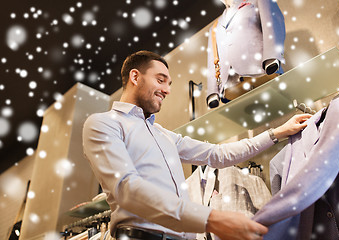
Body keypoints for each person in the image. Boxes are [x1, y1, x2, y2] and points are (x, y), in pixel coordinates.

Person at [82, 50, 312, 240]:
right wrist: (212, 219)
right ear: (135, 76)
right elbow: (126, 189)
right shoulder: (102, 124)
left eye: (169, 83)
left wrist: (277, 132)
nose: (167, 90)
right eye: (160, 80)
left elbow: (218, 154)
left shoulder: (164, 134)